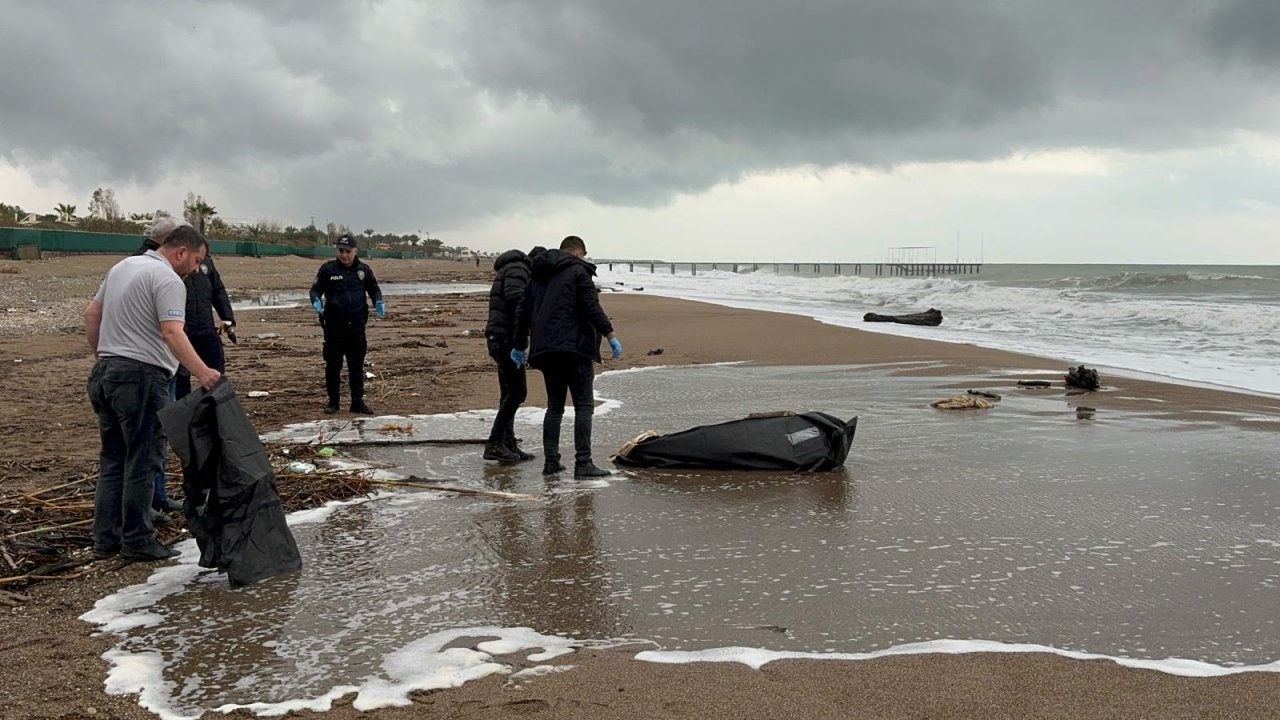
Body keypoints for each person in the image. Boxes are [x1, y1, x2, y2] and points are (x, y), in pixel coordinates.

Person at [85, 225, 221, 561]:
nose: (196, 269)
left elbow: (92, 315)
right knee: (144, 459)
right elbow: (172, 333)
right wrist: (203, 372)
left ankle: (106, 540)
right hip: (141, 377)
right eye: (196, 261)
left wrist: (104, 354)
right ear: (180, 252)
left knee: (114, 458)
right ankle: (137, 540)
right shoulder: (168, 280)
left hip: (106, 372)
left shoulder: (122, 267)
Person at [512, 235, 622, 477]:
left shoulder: (537, 274)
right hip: (575, 348)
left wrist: (519, 345)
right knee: (584, 406)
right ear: (578, 253)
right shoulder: (578, 270)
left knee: (555, 407)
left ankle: (551, 462)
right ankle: (583, 463)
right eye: (583, 256)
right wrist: (610, 333)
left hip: (546, 350)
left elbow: (523, 312)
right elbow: (591, 306)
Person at [310, 233, 384, 415]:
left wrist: (379, 302)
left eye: (347, 251)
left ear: (355, 251)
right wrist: (316, 301)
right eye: (340, 251)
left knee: (356, 366)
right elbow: (315, 290)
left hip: (357, 327)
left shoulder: (364, 270)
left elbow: (374, 290)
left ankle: (357, 402)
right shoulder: (328, 270)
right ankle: (333, 402)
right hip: (334, 327)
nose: (344, 255)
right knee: (333, 365)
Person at [482, 247, 537, 464]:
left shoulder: (509, 268)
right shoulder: (518, 268)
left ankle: (507, 443)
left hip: (499, 336)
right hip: (505, 338)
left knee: (508, 393)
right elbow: (516, 299)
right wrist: (521, 340)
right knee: (517, 392)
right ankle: (494, 443)